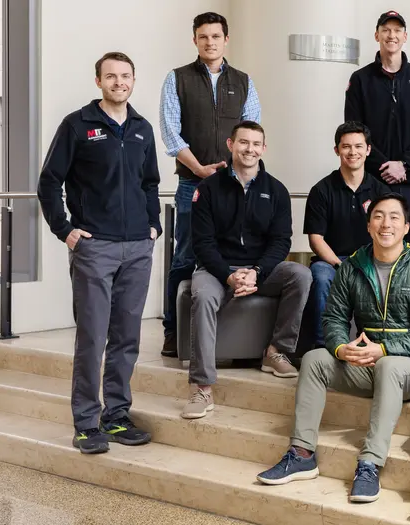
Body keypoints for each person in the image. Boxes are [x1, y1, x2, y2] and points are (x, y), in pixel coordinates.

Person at [256, 193, 410, 504]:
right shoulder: (351, 267)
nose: (386, 223)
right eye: (379, 216)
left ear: (407, 226)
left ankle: (370, 464)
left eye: (394, 217)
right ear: (369, 225)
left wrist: (383, 350)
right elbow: (333, 319)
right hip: (366, 364)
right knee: (316, 359)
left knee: (389, 365)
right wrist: (342, 348)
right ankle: (302, 453)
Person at [37, 52, 159, 454]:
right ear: (98, 81)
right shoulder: (77, 125)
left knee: (127, 337)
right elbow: (49, 181)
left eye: (125, 76)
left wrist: (153, 225)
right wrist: (66, 230)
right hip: (95, 248)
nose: (118, 82)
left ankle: (117, 416)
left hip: (138, 247)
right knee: (92, 338)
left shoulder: (142, 128)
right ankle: (87, 423)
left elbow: (149, 183)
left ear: (133, 80)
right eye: (111, 76)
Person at [180, 121, 311, 420]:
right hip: (216, 270)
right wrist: (228, 274)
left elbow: (281, 241)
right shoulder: (208, 188)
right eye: (243, 142)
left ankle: (275, 351)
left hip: (258, 270)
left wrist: (256, 271)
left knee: (301, 275)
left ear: (263, 149)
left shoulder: (276, 190)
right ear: (231, 144)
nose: (249, 149)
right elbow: (202, 243)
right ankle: (202, 387)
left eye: (255, 144)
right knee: (201, 296)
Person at [159, 11, 262, 358]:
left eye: (216, 36)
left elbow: (252, 130)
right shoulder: (177, 79)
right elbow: (172, 133)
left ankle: (224, 332)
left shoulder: (244, 81)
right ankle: (173, 331)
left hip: (236, 186)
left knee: (230, 251)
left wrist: (236, 167)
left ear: (225, 39)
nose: (210, 42)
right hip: (193, 183)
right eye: (203, 37)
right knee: (185, 257)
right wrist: (200, 169)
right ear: (195, 40)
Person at [344, 10, 410, 248]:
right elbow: (355, 130)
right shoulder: (360, 79)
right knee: (372, 241)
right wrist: (384, 165)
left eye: (397, 30)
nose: (391, 35)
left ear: (405, 36)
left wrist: (403, 164)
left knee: (409, 243)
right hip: (372, 177)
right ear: (377, 35)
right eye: (386, 30)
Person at [303, 122, 389, 349]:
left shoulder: (381, 192)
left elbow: (387, 235)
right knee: (320, 276)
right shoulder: (321, 190)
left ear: (368, 150)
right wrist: (340, 265)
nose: (353, 152)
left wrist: (365, 263)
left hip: (370, 260)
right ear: (337, 150)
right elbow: (316, 239)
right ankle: (324, 347)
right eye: (346, 147)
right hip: (332, 262)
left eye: (359, 146)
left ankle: (374, 345)